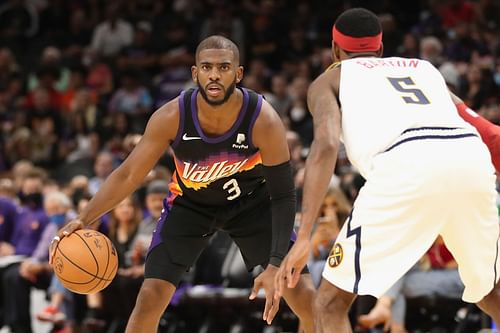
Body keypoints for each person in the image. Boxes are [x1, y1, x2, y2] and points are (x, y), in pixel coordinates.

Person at [50, 35, 314, 333]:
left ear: (238, 74)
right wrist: (85, 217)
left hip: (251, 204)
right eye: (207, 67)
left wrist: (277, 263)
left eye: (224, 67)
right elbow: (128, 175)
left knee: (305, 298)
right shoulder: (172, 116)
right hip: (190, 206)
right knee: (149, 298)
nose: (214, 74)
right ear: (195, 73)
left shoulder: (263, 119)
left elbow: (282, 195)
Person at [274, 8, 500, 333]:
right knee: (491, 292)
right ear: (380, 49)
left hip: (406, 166)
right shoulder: (425, 69)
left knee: (330, 304)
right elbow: (487, 132)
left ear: (335, 51)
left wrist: (304, 234)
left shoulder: (329, 79)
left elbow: (324, 145)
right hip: (470, 159)